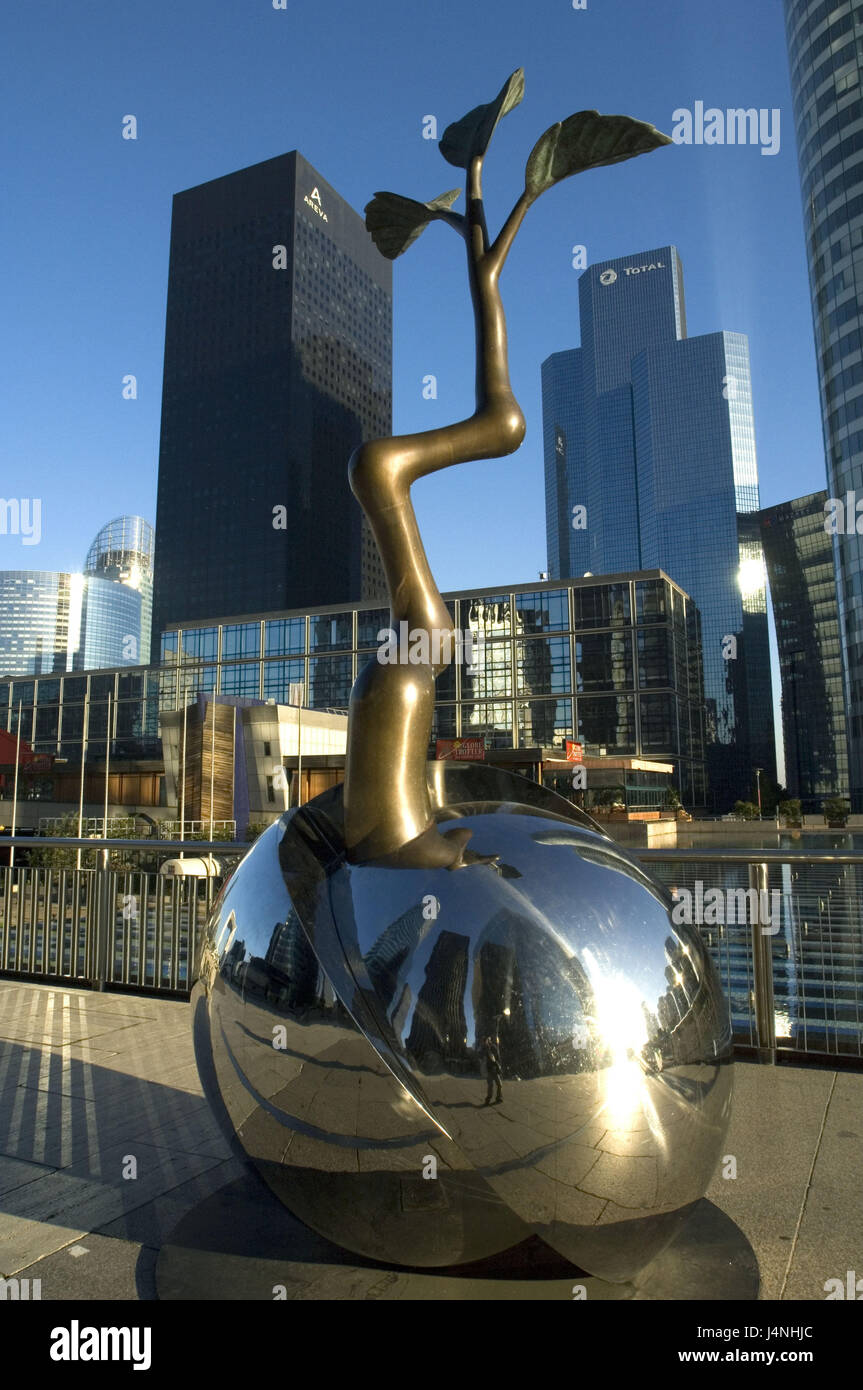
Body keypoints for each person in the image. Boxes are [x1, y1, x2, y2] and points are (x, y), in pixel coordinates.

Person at [482, 1035, 503, 1105]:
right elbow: (484, 1058)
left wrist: (498, 1066)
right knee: (490, 1085)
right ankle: (488, 1099)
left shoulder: (493, 1047)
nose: (487, 1041)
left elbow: (497, 1057)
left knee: (499, 1084)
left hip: (495, 1069)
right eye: (486, 1040)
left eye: (488, 1040)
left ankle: (499, 1097)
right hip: (490, 1070)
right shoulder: (485, 1049)